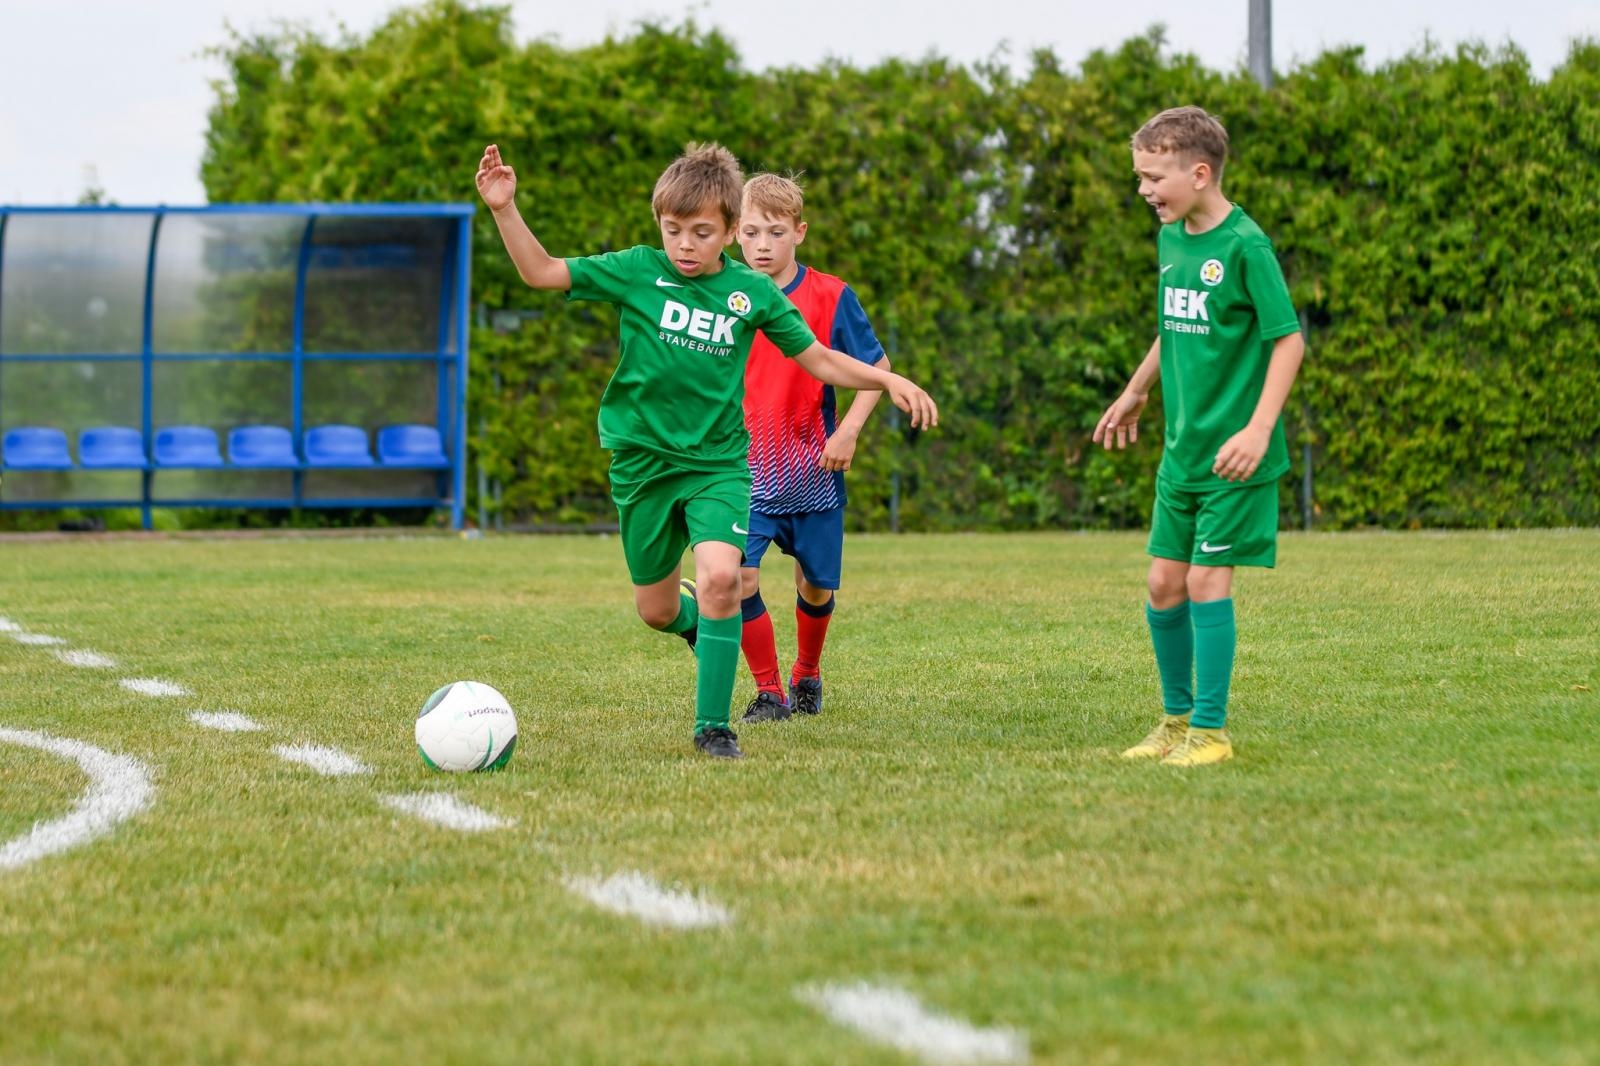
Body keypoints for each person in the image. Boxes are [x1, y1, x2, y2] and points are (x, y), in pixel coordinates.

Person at [474, 142, 938, 759]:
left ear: (727, 232)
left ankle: (713, 728)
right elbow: (541, 272)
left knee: (724, 576)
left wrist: (889, 379)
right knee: (657, 610)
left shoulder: (751, 293)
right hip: (642, 468)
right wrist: (505, 209)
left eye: (701, 233)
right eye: (673, 231)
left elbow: (820, 359)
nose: (685, 245)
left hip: (719, 466)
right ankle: (695, 625)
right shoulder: (637, 270)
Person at [1092, 106, 1305, 767]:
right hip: (1181, 454)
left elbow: (1288, 340)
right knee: (1163, 584)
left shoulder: (1246, 246)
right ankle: (1175, 721)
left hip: (1234, 458)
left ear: (1200, 172)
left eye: (1153, 177)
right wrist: (1135, 390)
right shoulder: (1173, 239)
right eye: (1140, 177)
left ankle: (1211, 732)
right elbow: (1172, 325)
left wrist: (1258, 428)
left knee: (1209, 582)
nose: (1144, 191)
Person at [733, 173, 890, 723]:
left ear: (799, 232)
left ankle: (806, 675)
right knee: (738, 577)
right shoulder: (722, 294)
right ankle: (770, 691)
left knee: (816, 586)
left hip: (813, 470)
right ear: (734, 234)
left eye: (775, 232)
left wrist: (847, 430)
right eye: (750, 232)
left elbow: (878, 369)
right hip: (742, 473)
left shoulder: (831, 295)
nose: (762, 245)